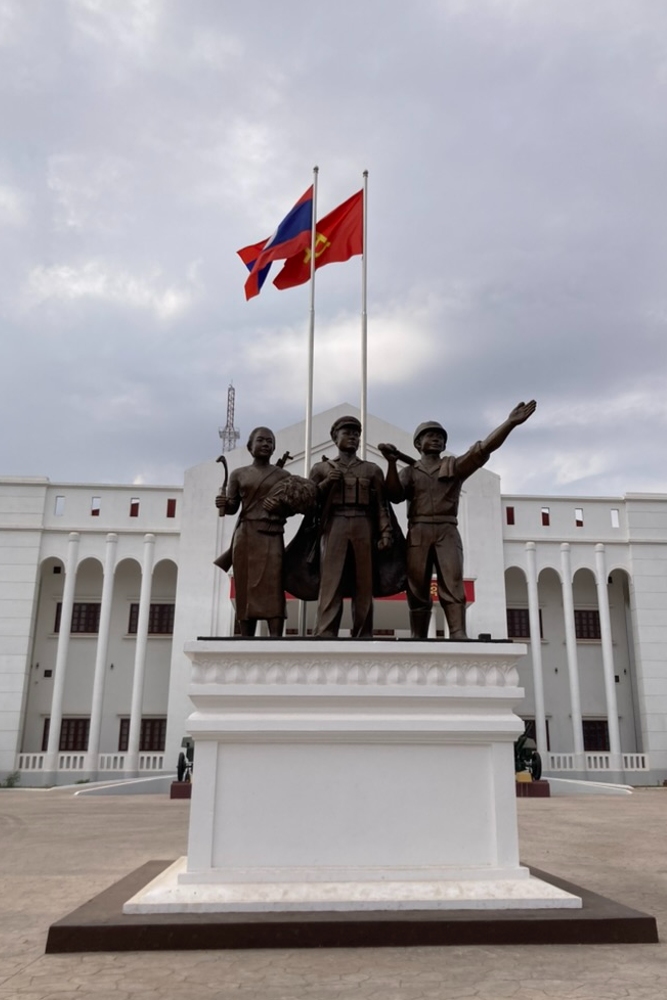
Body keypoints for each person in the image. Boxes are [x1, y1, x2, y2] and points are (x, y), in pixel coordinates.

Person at [380, 401, 536, 639]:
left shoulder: (454, 466)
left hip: (447, 530)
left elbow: (483, 449)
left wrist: (509, 423)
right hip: (418, 531)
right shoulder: (409, 472)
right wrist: (391, 463)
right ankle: (418, 636)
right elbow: (393, 495)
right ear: (418, 444)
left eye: (440, 436)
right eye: (429, 435)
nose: (436, 439)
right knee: (417, 588)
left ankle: (458, 633)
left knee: (452, 583)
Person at [309, 415, 393, 638]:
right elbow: (309, 503)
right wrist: (327, 482)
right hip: (334, 524)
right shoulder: (320, 469)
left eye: (356, 433)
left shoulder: (372, 470)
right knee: (331, 581)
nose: (353, 437)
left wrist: (385, 531)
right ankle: (326, 632)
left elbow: (381, 505)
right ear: (335, 438)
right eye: (347, 433)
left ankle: (363, 632)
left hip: (363, 525)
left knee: (364, 583)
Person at [214, 427, 290, 637]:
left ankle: (276, 636)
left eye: (269, 441)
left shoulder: (283, 475)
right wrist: (223, 502)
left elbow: (292, 506)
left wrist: (280, 507)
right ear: (250, 446)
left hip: (272, 534)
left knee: (274, 584)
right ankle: (246, 636)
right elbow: (231, 508)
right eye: (261, 440)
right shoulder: (239, 474)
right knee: (245, 586)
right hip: (246, 535)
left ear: (274, 447)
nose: (265, 444)